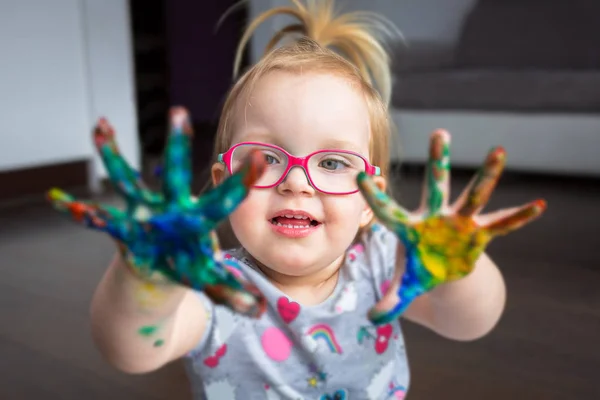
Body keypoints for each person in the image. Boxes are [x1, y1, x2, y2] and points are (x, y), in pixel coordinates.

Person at [47, 1, 546, 399]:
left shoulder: (382, 270)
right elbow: (129, 351)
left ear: (371, 201)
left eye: (332, 163)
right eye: (266, 160)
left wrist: (457, 268)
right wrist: (147, 279)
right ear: (222, 185)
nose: (297, 182)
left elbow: (470, 323)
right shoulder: (211, 288)